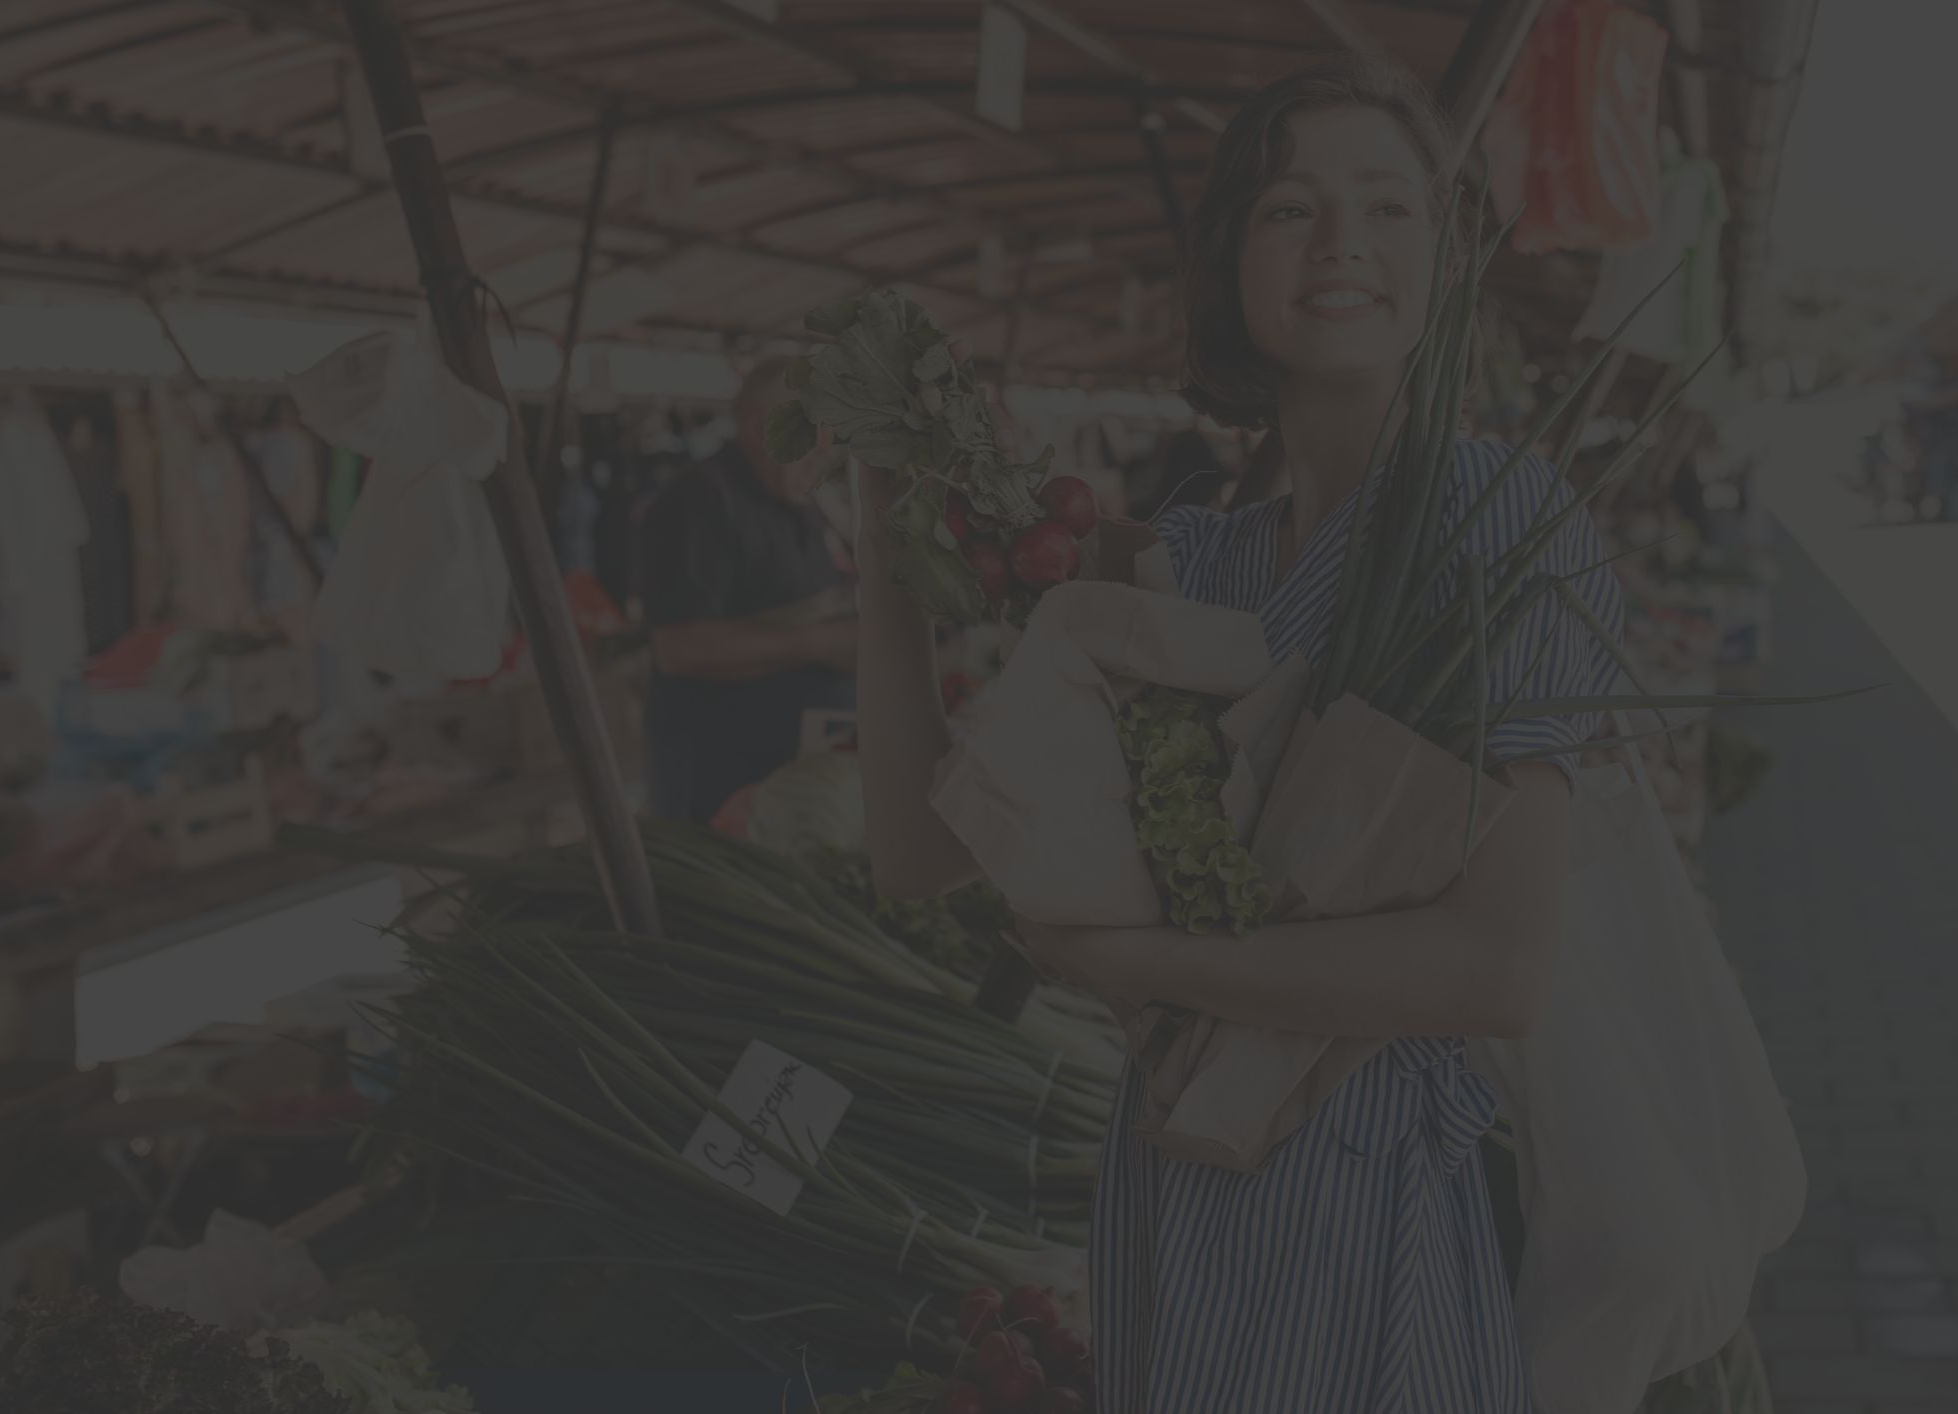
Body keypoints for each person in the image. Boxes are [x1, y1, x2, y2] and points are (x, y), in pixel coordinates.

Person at [854, 58, 1624, 1413]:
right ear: (1232, 263)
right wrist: (885, 563)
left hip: (1358, 1207)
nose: (1340, 243)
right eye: (1288, 209)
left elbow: (1495, 964)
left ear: (1440, 264)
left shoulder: (1498, 523)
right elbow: (921, 851)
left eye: (1388, 209)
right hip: (1173, 1194)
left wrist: (1134, 964)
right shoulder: (1188, 566)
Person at [636, 358, 857, 823]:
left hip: (788, 771)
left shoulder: (799, 497)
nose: (826, 446)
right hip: (720, 776)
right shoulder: (698, 503)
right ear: (761, 425)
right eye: (813, 430)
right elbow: (680, 649)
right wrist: (821, 644)